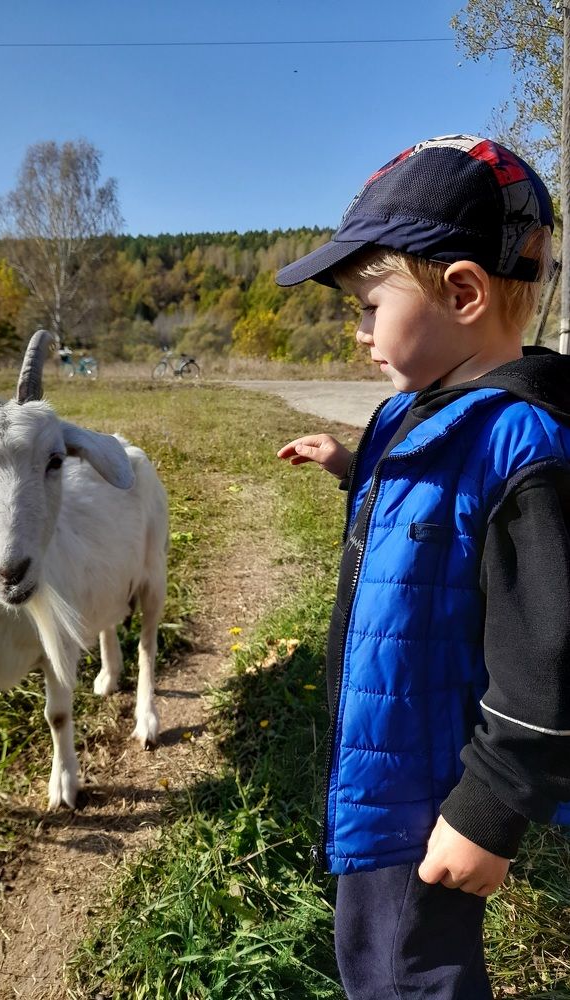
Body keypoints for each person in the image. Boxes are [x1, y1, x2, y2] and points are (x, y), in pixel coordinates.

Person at [275, 134, 570, 999]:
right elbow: (432, 527)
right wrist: (346, 465)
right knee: (374, 948)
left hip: (431, 789)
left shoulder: (519, 443)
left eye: (369, 305)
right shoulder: (424, 413)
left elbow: (549, 648)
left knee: (407, 971)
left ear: (465, 291)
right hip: (388, 756)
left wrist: (487, 809)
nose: (359, 332)